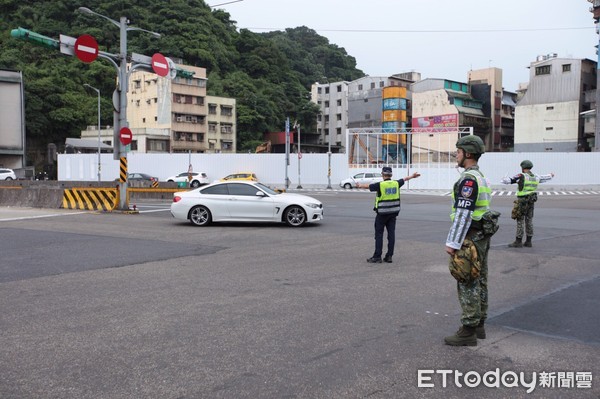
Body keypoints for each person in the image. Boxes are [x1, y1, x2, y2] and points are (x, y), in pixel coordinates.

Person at [444, 135, 493, 347]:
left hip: (470, 237)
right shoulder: (480, 176)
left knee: (467, 280)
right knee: (480, 278)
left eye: (459, 151)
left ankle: (468, 330)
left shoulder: (469, 180)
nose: (457, 154)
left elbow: (464, 213)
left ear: (468, 154)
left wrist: (453, 243)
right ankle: (479, 324)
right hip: (481, 236)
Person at [357, 167, 421, 264]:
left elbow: (369, 186)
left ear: (382, 174)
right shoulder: (396, 183)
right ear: (391, 175)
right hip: (393, 213)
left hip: (382, 213)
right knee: (391, 234)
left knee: (379, 235)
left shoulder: (380, 185)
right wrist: (412, 176)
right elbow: (405, 179)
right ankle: (389, 256)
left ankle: (377, 256)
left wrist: (359, 185)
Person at [502, 160, 554, 248]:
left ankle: (518, 241)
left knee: (520, 220)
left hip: (522, 201)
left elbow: (508, 181)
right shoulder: (536, 177)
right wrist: (551, 175)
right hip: (531, 200)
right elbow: (546, 177)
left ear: (522, 167)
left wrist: (503, 178)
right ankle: (528, 241)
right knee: (529, 220)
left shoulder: (521, 176)